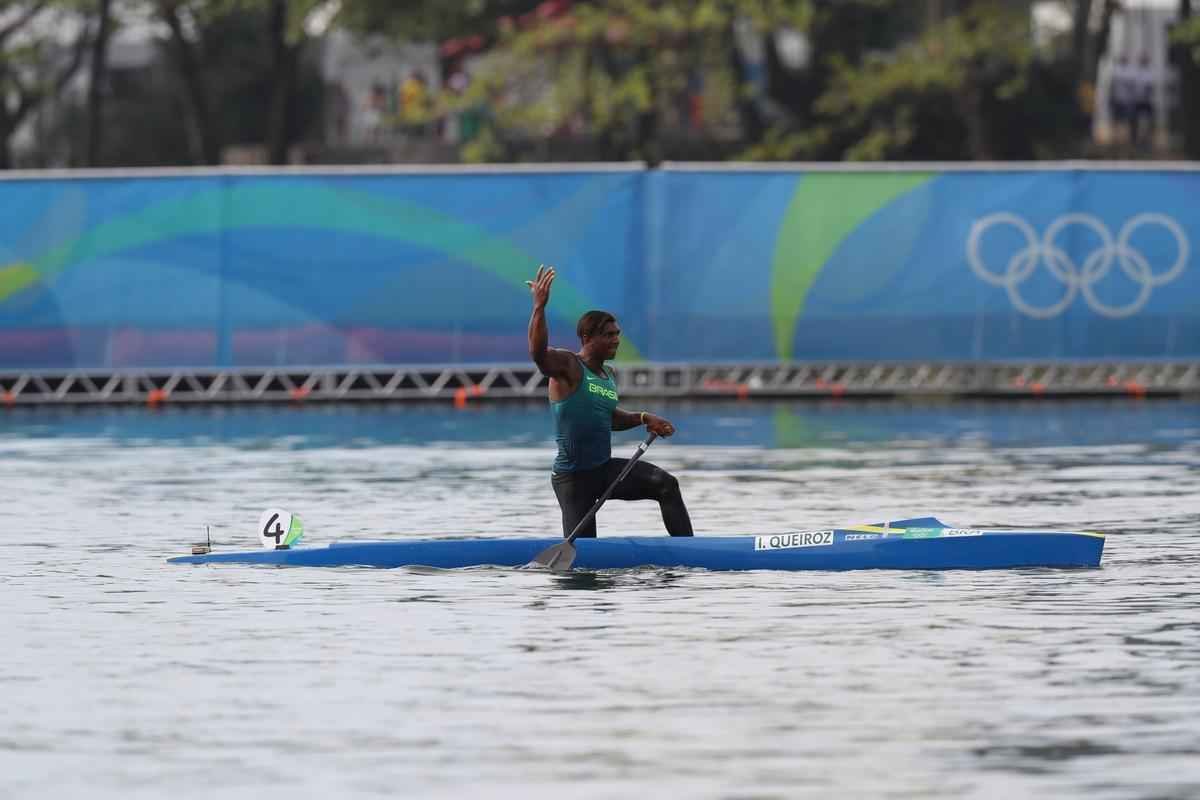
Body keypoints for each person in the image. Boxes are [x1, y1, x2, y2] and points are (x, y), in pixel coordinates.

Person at [526, 264, 693, 539]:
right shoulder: (568, 366)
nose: (617, 340)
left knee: (667, 485)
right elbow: (538, 353)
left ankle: (690, 552)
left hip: (603, 470)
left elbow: (609, 417)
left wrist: (643, 418)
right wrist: (539, 307)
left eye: (617, 334)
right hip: (573, 479)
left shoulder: (608, 374)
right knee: (585, 564)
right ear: (587, 337)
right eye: (609, 335)